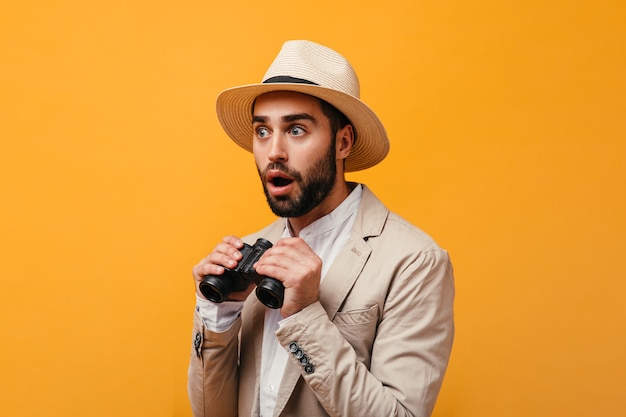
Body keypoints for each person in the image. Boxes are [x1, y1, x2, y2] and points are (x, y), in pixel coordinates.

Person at [188, 40, 455, 417]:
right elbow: (211, 413)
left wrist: (304, 315)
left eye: (296, 129)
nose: (274, 152)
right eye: (262, 131)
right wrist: (217, 314)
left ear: (343, 141)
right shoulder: (249, 255)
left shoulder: (413, 262)